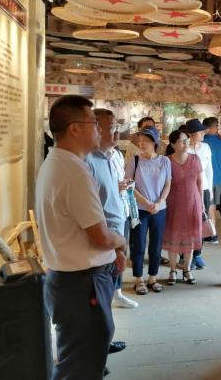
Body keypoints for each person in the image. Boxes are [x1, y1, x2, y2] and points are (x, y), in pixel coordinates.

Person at [36, 95, 126, 379]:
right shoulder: (73, 170)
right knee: (79, 367)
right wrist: (121, 242)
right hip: (81, 283)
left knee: (79, 358)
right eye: (94, 124)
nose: (99, 130)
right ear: (75, 128)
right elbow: (100, 237)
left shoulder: (59, 162)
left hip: (70, 280)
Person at [87, 108, 139, 311]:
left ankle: (115, 295)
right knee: (98, 299)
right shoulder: (87, 160)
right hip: (102, 237)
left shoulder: (113, 155)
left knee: (110, 281)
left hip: (117, 225)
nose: (118, 133)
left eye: (118, 128)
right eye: (112, 128)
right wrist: (113, 245)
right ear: (96, 129)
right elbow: (91, 208)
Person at [125, 126, 171, 295]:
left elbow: (168, 184)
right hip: (138, 209)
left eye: (145, 140)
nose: (141, 143)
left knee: (156, 244)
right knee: (138, 244)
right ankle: (138, 278)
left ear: (154, 142)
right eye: (140, 140)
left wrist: (159, 203)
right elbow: (129, 184)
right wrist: (146, 202)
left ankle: (153, 277)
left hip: (159, 209)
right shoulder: (134, 160)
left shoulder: (165, 161)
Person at [163, 130, 203, 285]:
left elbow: (200, 182)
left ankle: (187, 269)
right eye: (181, 141)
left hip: (193, 203)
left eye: (186, 139)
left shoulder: (195, 159)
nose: (185, 143)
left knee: (190, 238)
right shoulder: (167, 161)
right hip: (173, 204)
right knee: (173, 237)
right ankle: (172, 270)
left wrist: (202, 204)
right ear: (173, 144)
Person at [184, 118, 213, 269]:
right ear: (190, 134)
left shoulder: (206, 147)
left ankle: (197, 254)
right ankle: (184, 254)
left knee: (201, 222)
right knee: (186, 222)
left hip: (204, 189)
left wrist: (210, 190)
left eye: (203, 132)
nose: (202, 135)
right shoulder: (183, 148)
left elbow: (209, 170)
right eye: (200, 132)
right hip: (187, 190)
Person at [202, 116, 221, 244]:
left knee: (207, 207)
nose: (217, 128)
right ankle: (212, 234)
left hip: (206, 179)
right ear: (211, 127)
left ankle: (211, 234)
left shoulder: (202, 142)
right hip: (218, 178)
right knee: (212, 206)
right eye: (216, 126)